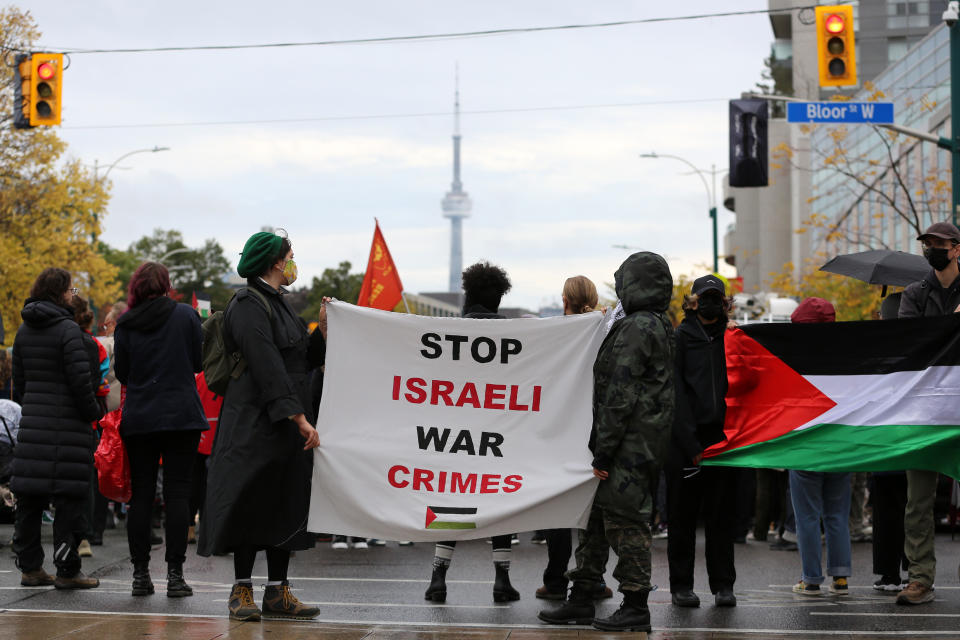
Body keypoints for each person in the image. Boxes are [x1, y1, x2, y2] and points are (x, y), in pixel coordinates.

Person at [538, 251, 675, 633]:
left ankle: (635, 605)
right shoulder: (656, 324)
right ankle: (581, 595)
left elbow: (620, 394)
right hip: (637, 443)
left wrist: (604, 449)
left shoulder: (637, 328)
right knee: (595, 521)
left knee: (626, 524)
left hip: (628, 447)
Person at [198, 230, 324, 621]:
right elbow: (266, 364)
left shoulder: (282, 304)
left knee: (284, 502)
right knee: (249, 502)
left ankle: (277, 592)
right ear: (274, 262)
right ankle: (241, 591)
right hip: (253, 422)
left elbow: (301, 359)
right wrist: (299, 417)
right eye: (290, 256)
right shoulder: (247, 303)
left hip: (284, 419)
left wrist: (323, 328)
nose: (293, 264)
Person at [424, 261, 520, 604]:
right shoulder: (511, 334)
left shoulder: (452, 331)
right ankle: (501, 580)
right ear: (498, 297)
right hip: (497, 436)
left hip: (457, 437)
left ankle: (438, 578)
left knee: (453, 501)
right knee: (499, 501)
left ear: (468, 294)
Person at [114, 262, 208, 598]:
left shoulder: (126, 323)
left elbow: (122, 372)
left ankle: (140, 575)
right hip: (181, 415)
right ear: (166, 284)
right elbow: (199, 363)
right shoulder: (185, 316)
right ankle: (175, 575)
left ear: (135, 287)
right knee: (178, 495)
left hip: (141, 418)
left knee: (141, 496)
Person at [10, 268, 103, 589]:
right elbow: (81, 384)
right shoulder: (68, 331)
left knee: (30, 502)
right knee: (68, 502)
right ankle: (67, 569)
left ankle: (30, 567)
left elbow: (19, 384)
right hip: (68, 431)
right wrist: (93, 413)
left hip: (34, 427)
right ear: (61, 293)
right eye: (70, 289)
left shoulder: (23, 331)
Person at [895, 221, 960, 605]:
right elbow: (907, 344)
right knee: (918, 500)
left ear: (957, 249)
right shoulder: (914, 295)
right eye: (927, 244)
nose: (932, 249)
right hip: (926, 411)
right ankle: (920, 577)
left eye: (939, 244)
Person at [536, 275, 611, 602]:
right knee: (592, 513)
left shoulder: (555, 333)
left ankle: (555, 581)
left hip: (560, 428)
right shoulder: (605, 329)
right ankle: (591, 579)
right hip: (594, 429)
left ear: (564, 301)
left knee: (559, 510)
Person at [666, 274, 738, 608]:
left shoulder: (735, 337)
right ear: (693, 301)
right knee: (682, 519)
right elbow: (675, 394)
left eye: (716, 297)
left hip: (724, 441)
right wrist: (691, 444)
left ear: (725, 302)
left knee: (722, 518)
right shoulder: (679, 337)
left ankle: (723, 585)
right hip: (685, 443)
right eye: (704, 297)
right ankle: (681, 586)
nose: (710, 303)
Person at [786, 298, 853, 596]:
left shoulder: (794, 358)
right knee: (837, 513)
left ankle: (811, 578)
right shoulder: (848, 358)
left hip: (806, 445)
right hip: (840, 444)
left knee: (808, 516)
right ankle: (840, 576)